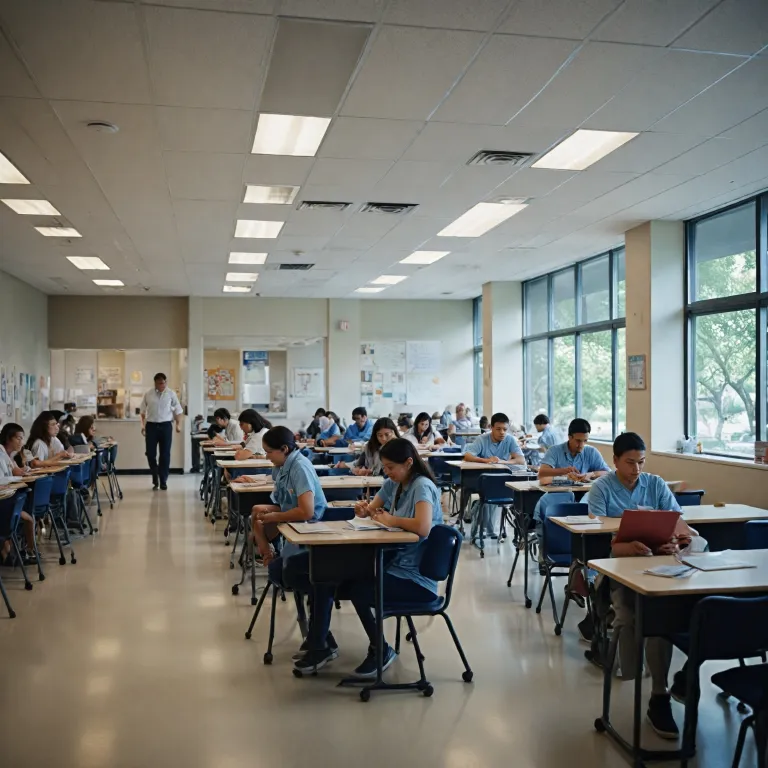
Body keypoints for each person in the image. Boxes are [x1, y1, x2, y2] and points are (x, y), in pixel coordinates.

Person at [294, 438, 442, 675]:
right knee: (327, 575)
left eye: (391, 467)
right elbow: (372, 508)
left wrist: (391, 519)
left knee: (356, 588)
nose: (387, 472)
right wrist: (365, 510)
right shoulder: (395, 483)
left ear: (409, 463)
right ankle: (320, 642)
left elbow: (423, 527)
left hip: (414, 575)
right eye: (384, 467)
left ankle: (379, 649)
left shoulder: (421, 486)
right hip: (391, 561)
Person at [589, 432, 697, 740]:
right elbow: (597, 533)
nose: (636, 469)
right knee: (652, 617)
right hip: (618, 570)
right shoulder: (601, 487)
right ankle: (660, 693)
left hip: (659, 565)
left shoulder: (656, 484)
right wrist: (627, 543)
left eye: (641, 462)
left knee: (697, 609)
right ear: (615, 461)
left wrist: (678, 539)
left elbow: (677, 518)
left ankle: (678, 681)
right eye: (629, 463)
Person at [233, 425, 326, 566]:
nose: (266, 456)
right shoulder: (283, 464)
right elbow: (272, 479)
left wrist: (276, 516)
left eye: (269, 452)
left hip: (313, 519)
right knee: (258, 515)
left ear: (284, 449)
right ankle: (268, 556)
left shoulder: (299, 467)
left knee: (260, 523)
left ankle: (270, 559)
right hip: (291, 509)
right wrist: (250, 478)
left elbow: (307, 512)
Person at [0, 423, 36, 566]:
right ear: (9, 439)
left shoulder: (9, 456)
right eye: (18, 438)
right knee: (28, 518)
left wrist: (20, 471)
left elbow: (13, 471)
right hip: (5, 502)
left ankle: (22, 551)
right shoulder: (1, 455)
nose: (21, 442)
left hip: (9, 499)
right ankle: (24, 552)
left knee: (28, 517)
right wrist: (17, 476)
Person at [140, 373, 183, 491]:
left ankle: (163, 480)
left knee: (165, 454)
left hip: (166, 426)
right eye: (160, 383)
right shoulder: (148, 394)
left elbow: (178, 410)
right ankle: (155, 474)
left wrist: (178, 424)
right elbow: (142, 412)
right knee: (150, 453)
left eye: (164, 382)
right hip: (151, 426)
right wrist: (142, 426)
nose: (163, 385)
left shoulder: (171, 394)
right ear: (155, 383)